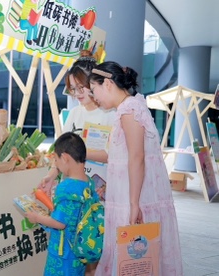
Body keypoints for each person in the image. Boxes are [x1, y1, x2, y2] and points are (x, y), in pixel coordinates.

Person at [88, 61, 183, 275]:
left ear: (108, 84)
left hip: (135, 198)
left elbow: (137, 157)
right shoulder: (129, 107)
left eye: (94, 90)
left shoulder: (130, 109)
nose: (95, 97)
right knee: (135, 257)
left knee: (134, 256)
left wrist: (133, 204)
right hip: (131, 195)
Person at [39, 55, 114, 199]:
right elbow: (62, 151)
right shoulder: (74, 114)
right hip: (72, 190)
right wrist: (51, 175)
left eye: (81, 88)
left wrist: (77, 153)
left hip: (100, 190)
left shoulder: (111, 113)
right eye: (72, 89)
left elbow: (113, 155)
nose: (77, 94)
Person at [26, 132, 95, 275]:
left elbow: (59, 223)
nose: (56, 164)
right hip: (78, 252)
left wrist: (37, 218)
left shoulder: (66, 188)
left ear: (64, 158)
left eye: (56, 160)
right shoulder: (89, 183)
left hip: (62, 254)